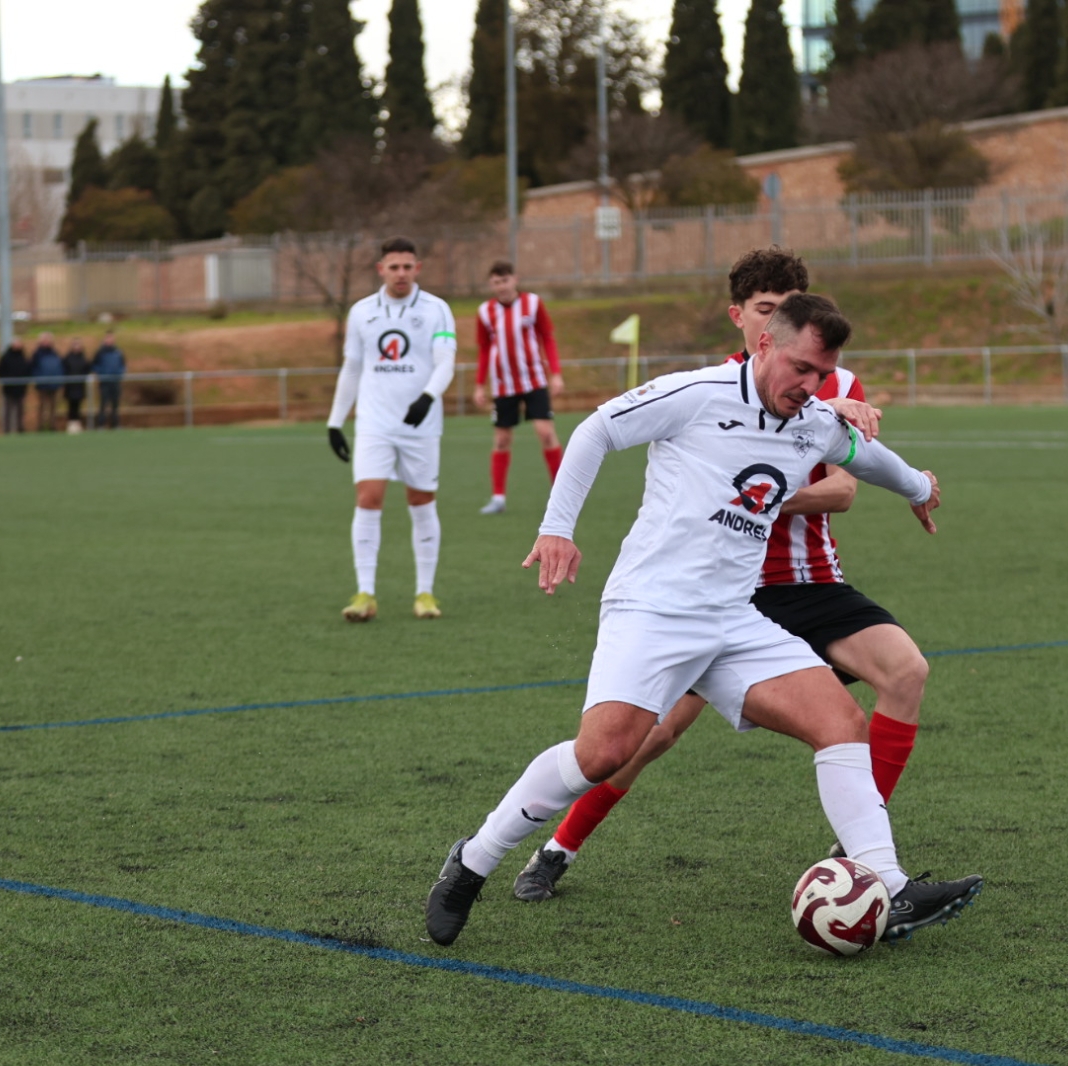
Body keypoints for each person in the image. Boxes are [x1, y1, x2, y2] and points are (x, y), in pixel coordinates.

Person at [425, 293, 981, 948]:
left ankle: (888, 884)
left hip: (735, 619)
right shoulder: (697, 393)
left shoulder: (814, 421)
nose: (811, 386)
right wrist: (557, 529)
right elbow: (597, 429)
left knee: (840, 724)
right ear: (765, 344)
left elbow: (864, 457)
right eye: (802, 368)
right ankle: (473, 861)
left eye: (823, 375)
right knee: (604, 753)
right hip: (652, 608)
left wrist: (920, 487)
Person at [512, 248, 935, 903]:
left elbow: (845, 489)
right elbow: (619, 438)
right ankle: (556, 849)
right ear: (741, 318)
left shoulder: (831, 382)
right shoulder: (710, 390)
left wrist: (770, 483)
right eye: (764, 308)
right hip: (724, 594)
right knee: (648, 735)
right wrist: (740, 492)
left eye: (788, 306)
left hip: (810, 581)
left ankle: (863, 854)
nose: (776, 319)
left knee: (905, 671)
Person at [326, 236, 457, 622]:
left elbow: (446, 362)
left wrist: (428, 397)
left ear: (418, 268)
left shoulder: (437, 309)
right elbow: (352, 368)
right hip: (374, 423)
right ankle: (365, 593)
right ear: (380, 269)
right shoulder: (361, 312)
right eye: (394, 267)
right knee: (368, 498)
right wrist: (335, 421)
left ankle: (425, 594)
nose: (401, 273)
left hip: (421, 425)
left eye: (407, 266)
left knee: (421, 501)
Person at [472, 260, 564, 514]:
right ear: (491, 285)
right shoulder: (485, 311)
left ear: (515, 279)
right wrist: (479, 385)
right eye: (496, 282)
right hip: (503, 385)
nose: (501, 286)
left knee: (545, 433)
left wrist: (556, 374)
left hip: (534, 380)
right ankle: (498, 498)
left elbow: (548, 338)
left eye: (505, 280)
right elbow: (484, 349)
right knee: (502, 439)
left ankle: (562, 493)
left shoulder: (532, 303)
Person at [91, 331, 126, 429]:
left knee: (115, 404)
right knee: (103, 403)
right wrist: (101, 374)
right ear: (105, 339)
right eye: (108, 338)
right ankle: (101, 424)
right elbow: (94, 365)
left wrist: (119, 374)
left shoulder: (118, 352)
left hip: (115, 381)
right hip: (105, 382)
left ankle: (115, 424)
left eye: (111, 338)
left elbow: (122, 365)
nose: (110, 340)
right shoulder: (100, 352)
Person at [0, 337, 30, 434]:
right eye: (16, 344)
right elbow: (0, 371)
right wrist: (6, 382)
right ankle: (6, 429)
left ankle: (20, 428)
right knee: (7, 410)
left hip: (20, 389)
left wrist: (24, 384)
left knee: (20, 411)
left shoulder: (23, 356)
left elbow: (27, 371)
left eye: (19, 343)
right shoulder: (6, 357)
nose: (17, 345)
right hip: (8, 389)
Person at [31, 332, 64, 432]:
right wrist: (38, 378)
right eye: (44, 340)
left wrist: (58, 379)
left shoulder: (55, 353)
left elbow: (59, 367)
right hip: (42, 384)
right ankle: (40, 426)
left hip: (53, 384)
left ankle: (52, 426)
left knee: (53, 407)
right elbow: (33, 368)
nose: (46, 342)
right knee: (42, 406)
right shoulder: (37, 354)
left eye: (48, 340)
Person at [62, 336, 90, 433]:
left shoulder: (83, 358)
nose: (77, 346)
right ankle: (70, 424)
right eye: (75, 344)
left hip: (80, 386)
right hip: (70, 387)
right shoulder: (68, 358)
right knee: (71, 406)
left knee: (78, 406)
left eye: (78, 344)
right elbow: (64, 369)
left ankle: (77, 424)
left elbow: (87, 369)